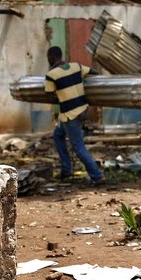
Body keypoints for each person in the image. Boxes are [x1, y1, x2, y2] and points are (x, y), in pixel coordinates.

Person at [44, 46, 104, 185]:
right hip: (83, 109)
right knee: (58, 135)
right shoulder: (76, 66)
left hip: (70, 114)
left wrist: (61, 95)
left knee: (78, 147)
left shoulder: (51, 75)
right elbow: (93, 72)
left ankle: (97, 176)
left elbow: (49, 97)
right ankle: (67, 169)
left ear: (51, 58)